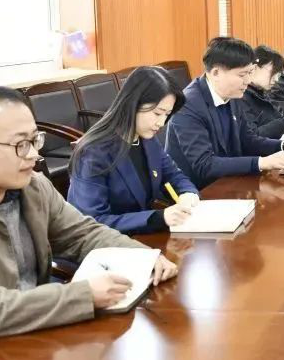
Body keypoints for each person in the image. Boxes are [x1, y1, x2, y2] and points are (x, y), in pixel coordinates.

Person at [0, 87, 178, 360]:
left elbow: (82, 234)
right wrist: (81, 296)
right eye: (20, 144)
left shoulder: (32, 186)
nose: (33, 154)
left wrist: (144, 257)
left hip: (30, 336)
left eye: (35, 140)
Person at [68, 67, 201, 235]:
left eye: (167, 114)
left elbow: (174, 175)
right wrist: (158, 218)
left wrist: (188, 193)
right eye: (157, 113)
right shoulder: (93, 152)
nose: (161, 123)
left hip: (138, 236)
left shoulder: (147, 138)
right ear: (133, 103)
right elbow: (93, 221)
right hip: (104, 243)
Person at [167, 37, 284, 189]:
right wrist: (261, 162)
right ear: (216, 73)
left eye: (250, 72)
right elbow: (204, 164)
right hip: (196, 191)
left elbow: (248, 140)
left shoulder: (233, 94)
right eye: (242, 75)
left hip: (228, 182)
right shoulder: (188, 105)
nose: (248, 80)